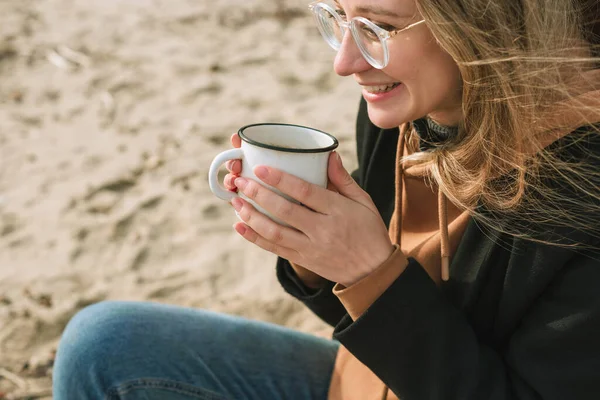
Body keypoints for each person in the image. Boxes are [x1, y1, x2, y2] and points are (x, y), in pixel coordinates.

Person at [53, 0, 600, 399]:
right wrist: (317, 257)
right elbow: (385, 320)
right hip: (361, 385)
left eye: (377, 27)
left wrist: (371, 274)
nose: (346, 62)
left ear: (487, 19)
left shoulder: (584, 196)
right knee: (103, 343)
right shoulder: (409, 104)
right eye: (336, 16)